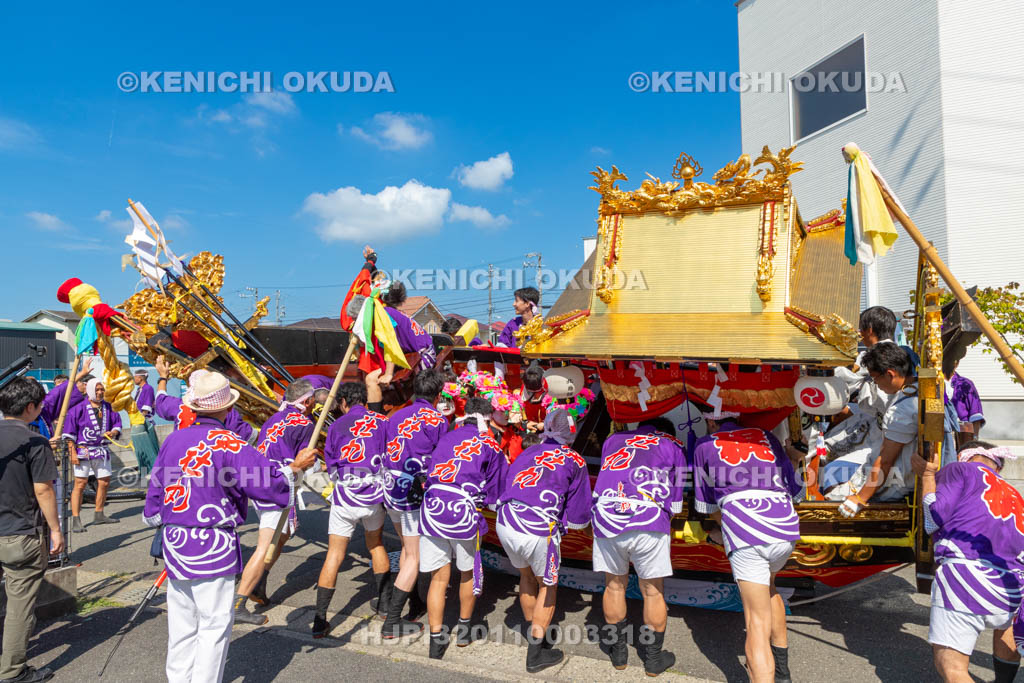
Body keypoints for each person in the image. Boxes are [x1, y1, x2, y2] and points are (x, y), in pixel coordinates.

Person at [143, 370, 318, 683]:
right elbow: (269, 484)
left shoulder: (174, 439)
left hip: (175, 541)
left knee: (182, 625)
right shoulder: (229, 443)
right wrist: (295, 468)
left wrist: (159, 517)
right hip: (212, 545)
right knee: (213, 626)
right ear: (226, 409)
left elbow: (155, 490)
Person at [692, 410, 802, 683]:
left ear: (710, 420)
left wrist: (724, 528)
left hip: (748, 531)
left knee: (755, 622)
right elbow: (794, 487)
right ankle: (783, 674)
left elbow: (705, 506)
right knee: (771, 588)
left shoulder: (705, 444)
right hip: (785, 526)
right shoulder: (765, 436)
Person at [914, 441, 1023, 683]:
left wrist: (929, 475)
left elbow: (934, 519)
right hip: (1013, 585)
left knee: (952, 668)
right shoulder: (1013, 492)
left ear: (963, 456)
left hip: (966, 579)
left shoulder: (960, 470)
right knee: (1005, 629)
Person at [496, 410, 592, 673]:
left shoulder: (529, 451)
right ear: (571, 433)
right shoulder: (574, 460)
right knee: (548, 585)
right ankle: (535, 654)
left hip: (506, 520)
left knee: (525, 576)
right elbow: (580, 514)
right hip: (537, 527)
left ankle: (535, 635)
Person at [591, 417, 685, 676]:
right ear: (666, 431)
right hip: (648, 517)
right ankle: (653, 661)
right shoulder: (672, 444)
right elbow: (676, 504)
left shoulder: (613, 440)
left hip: (607, 514)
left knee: (613, 585)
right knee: (653, 591)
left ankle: (619, 654)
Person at [420, 396, 507, 660]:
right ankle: (465, 631)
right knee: (467, 573)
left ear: (464, 413)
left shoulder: (446, 436)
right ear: (488, 418)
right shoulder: (490, 445)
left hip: (432, 508)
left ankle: (436, 640)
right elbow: (496, 493)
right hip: (463, 513)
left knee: (439, 577)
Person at [233, 378, 316, 625]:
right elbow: (305, 461)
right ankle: (239, 601)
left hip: (259, 478)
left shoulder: (274, 418)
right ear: (308, 401)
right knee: (265, 545)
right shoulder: (305, 423)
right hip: (277, 484)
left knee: (283, 534)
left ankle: (259, 581)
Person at [313, 382, 390, 638]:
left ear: (344, 401)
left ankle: (320, 619)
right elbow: (389, 455)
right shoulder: (382, 421)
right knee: (375, 544)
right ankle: (384, 605)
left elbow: (332, 464)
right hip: (374, 494)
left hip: (345, 495)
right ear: (365, 400)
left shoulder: (336, 425)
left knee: (334, 553)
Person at [0, 377, 63, 683]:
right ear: (30, 407)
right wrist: (55, 530)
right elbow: (44, 491)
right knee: (20, 604)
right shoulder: (33, 441)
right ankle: (12, 671)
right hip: (20, 532)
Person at [381, 369, 448, 638]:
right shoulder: (437, 420)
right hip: (412, 490)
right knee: (413, 555)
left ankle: (414, 602)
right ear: (439, 394)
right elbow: (441, 460)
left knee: (407, 548)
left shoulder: (395, 415)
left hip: (389, 485)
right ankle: (392, 620)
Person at [835, 343, 919, 514]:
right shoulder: (917, 390)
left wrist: (860, 498)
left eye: (875, 379)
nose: (875, 384)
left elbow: (886, 461)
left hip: (897, 484)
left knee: (834, 497)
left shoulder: (903, 409)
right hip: (901, 475)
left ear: (890, 374)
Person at [822, 306, 899, 492]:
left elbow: (847, 379)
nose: (859, 334)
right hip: (883, 422)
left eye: (860, 329)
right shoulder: (900, 350)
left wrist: (824, 365)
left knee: (828, 460)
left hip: (881, 428)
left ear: (869, 329)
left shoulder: (873, 354)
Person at [364, 281, 437, 413]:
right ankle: (376, 419)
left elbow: (391, 344)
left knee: (372, 379)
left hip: (423, 356)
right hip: (415, 354)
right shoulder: (391, 312)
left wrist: (388, 374)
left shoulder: (385, 313)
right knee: (371, 378)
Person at [61, 378, 121, 532]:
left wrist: (113, 432)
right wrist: (72, 452)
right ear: (89, 391)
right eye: (97, 390)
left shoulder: (109, 408)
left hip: (102, 450)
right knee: (80, 484)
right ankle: (76, 518)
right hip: (83, 451)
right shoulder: (78, 409)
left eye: (102, 390)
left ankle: (99, 514)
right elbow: (69, 432)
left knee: (104, 482)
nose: (100, 392)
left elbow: (117, 424)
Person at [153, 355, 254, 442]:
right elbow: (252, 437)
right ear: (229, 407)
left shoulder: (179, 409)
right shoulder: (228, 414)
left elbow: (160, 400)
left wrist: (163, 377)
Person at [39, 366, 91, 435]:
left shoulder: (42, 409)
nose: (57, 387)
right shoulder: (41, 411)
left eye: (61, 384)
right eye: (56, 385)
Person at [130, 368, 160, 476]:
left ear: (140, 378)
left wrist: (138, 419)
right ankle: (145, 471)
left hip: (143, 422)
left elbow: (146, 407)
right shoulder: (140, 389)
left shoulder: (148, 388)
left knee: (147, 448)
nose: (134, 379)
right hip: (138, 421)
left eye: (135, 377)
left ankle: (153, 471)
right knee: (140, 449)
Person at [948, 360, 985, 443]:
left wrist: (974, 438)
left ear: (956, 363)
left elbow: (975, 413)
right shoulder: (934, 382)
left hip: (962, 434)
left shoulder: (965, 384)